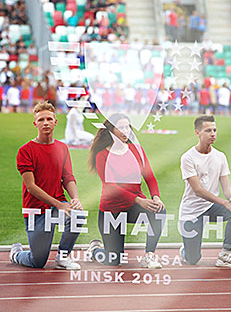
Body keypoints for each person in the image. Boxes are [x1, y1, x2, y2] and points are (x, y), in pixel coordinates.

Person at [10, 101, 83, 270]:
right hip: (35, 210)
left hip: (57, 206)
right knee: (38, 262)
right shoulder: (25, 151)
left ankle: (63, 257)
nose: (45, 123)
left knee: (77, 215)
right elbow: (31, 187)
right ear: (35, 123)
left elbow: (68, 177)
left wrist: (75, 199)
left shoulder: (63, 148)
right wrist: (60, 205)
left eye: (49, 119)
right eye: (41, 120)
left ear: (55, 122)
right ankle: (16, 253)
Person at [88, 113, 165, 266]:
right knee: (113, 261)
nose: (125, 131)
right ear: (111, 130)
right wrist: (138, 200)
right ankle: (95, 250)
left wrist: (155, 196)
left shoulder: (136, 150)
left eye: (127, 127)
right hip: (112, 211)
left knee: (159, 211)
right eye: (120, 127)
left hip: (133, 207)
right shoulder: (102, 155)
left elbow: (149, 176)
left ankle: (149, 255)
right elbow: (111, 186)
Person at [179, 113, 231, 267]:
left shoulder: (220, 156)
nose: (213, 134)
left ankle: (225, 254)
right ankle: (186, 250)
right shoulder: (188, 157)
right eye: (208, 131)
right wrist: (223, 201)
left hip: (211, 207)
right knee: (193, 260)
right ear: (197, 132)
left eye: (214, 130)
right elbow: (198, 190)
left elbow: (226, 186)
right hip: (191, 212)